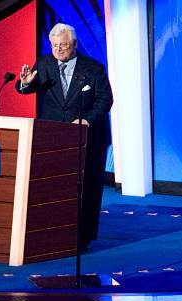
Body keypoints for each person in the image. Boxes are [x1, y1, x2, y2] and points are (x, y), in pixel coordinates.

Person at [16, 22, 114, 248]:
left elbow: (105, 99)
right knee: (55, 187)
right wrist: (25, 83)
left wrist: (87, 120)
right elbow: (29, 88)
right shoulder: (45, 63)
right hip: (54, 138)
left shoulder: (93, 68)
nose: (58, 50)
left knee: (85, 189)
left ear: (75, 45)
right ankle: (55, 233)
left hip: (87, 138)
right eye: (54, 45)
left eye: (64, 45)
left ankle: (82, 238)